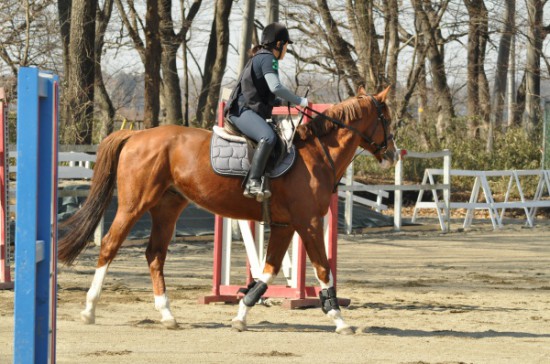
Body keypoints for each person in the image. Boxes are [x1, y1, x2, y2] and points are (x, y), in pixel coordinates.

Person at [224, 22, 308, 201]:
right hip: (241, 110)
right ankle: (253, 181)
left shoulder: (262, 57)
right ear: (279, 44)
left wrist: (284, 102)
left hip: (247, 108)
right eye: (286, 44)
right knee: (268, 137)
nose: (286, 49)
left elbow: (267, 94)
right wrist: (300, 101)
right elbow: (276, 87)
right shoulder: (269, 59)